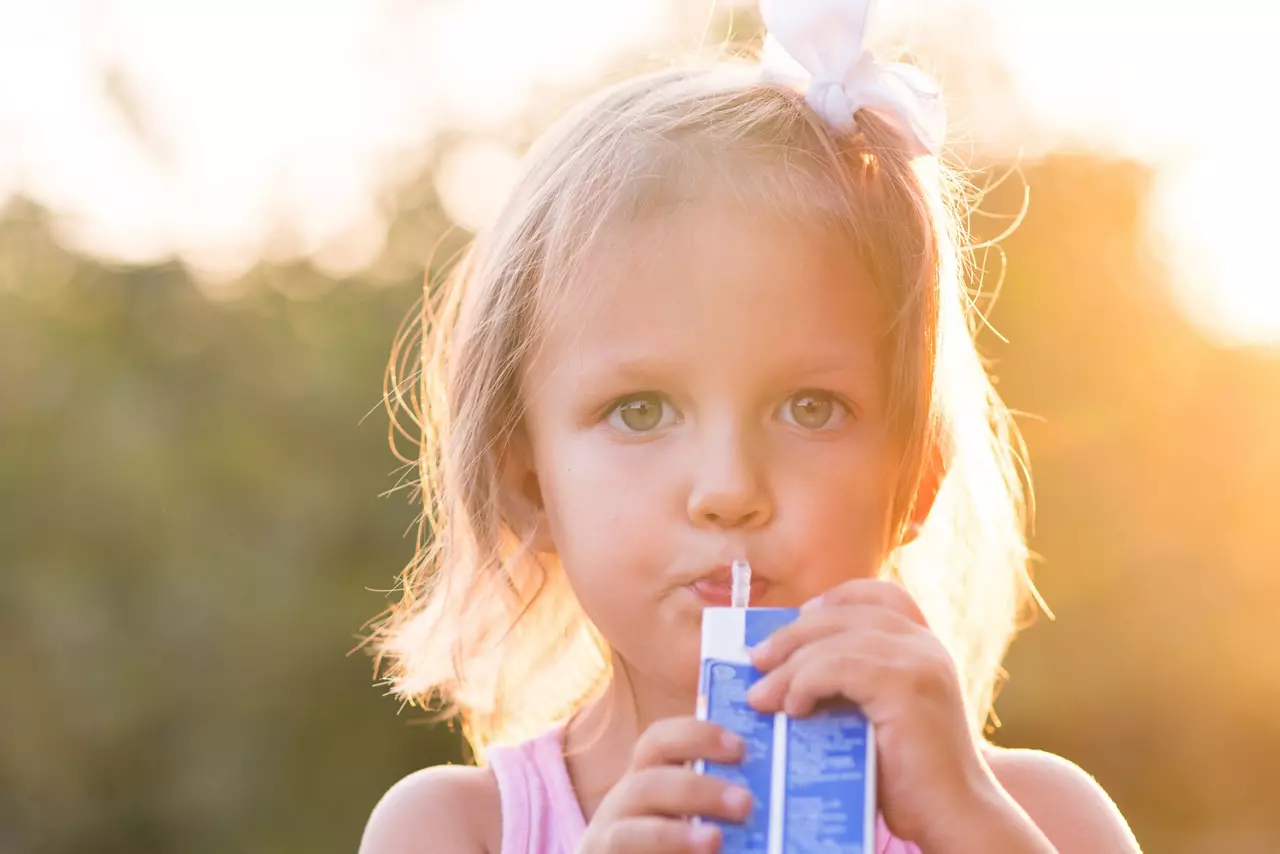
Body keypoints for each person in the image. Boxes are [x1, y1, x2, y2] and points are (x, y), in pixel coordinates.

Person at [360, 0, 1140, 850]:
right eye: (640, 411)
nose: (729, 489)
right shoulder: (454, 828)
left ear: (914, 480)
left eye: (811, 408)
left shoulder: (1041, 819)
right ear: (528, 484)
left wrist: (966, 821)